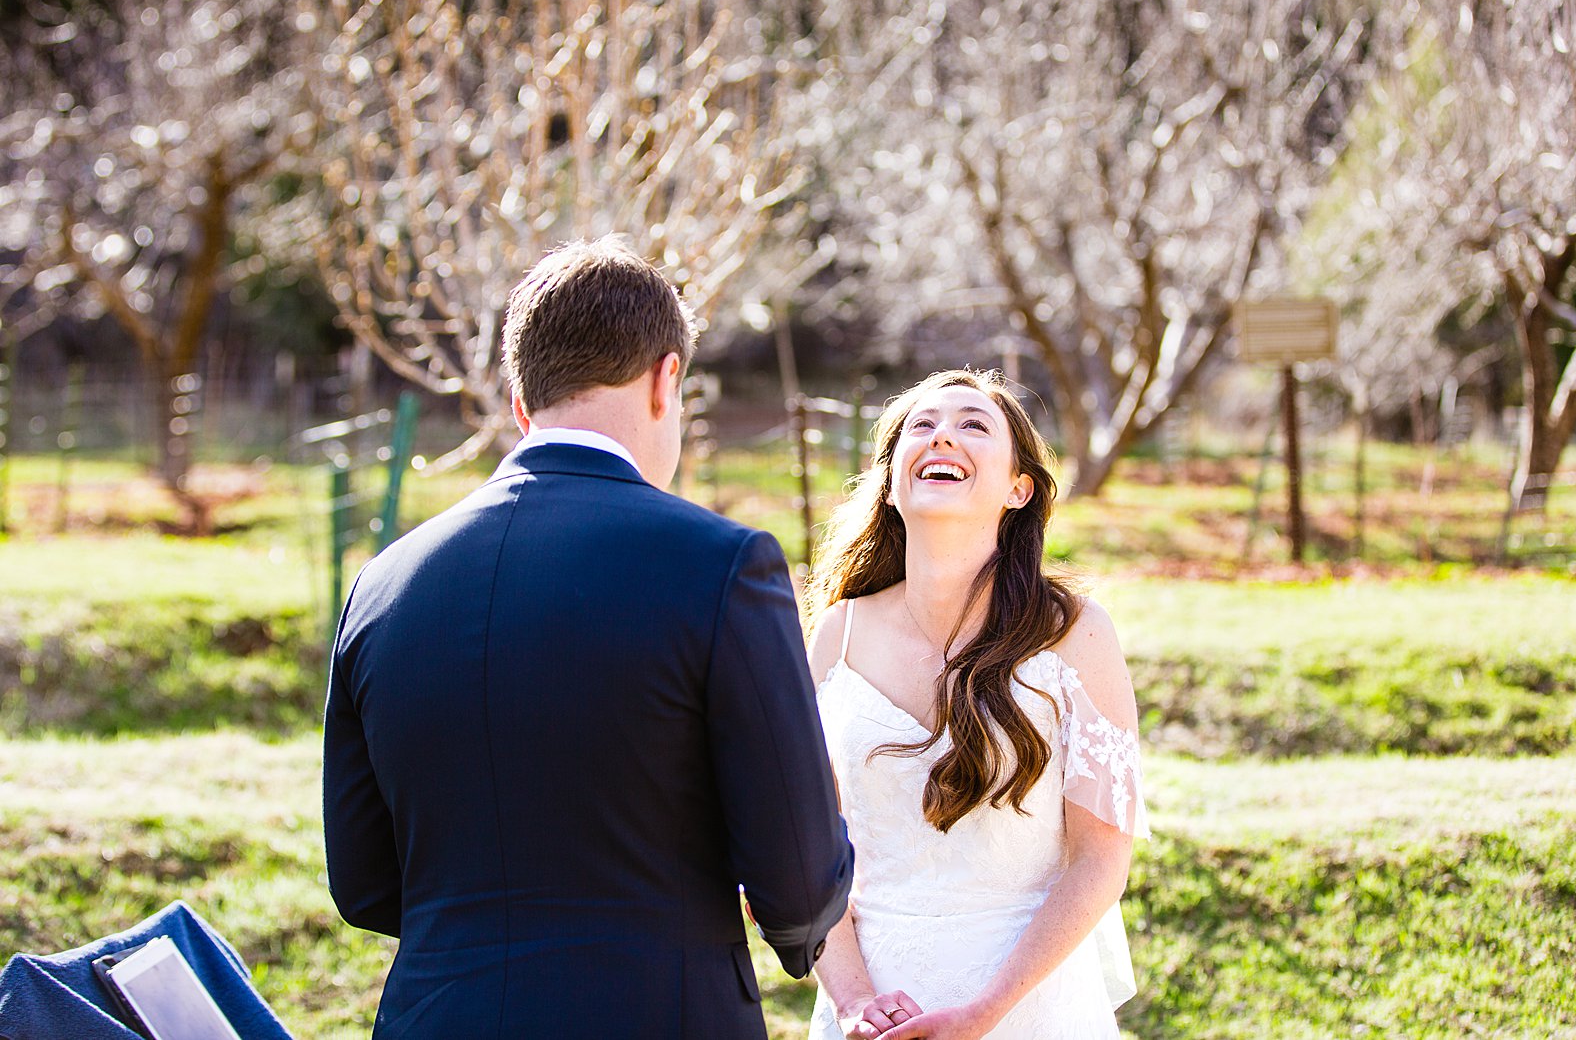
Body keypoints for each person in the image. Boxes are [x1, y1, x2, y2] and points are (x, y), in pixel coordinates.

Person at [322, 237, 853, 1039]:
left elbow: (363, 881)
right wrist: (798, 929)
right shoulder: (722, 565)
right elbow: (798, 878)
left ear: (520, 400)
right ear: (666, 378)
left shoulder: (383, 583)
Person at [801, 369, 1148, 1040]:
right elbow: (807, 850)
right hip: (874, 1010)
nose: (942, 437)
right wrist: (853, 1000)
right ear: (894, 481)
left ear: (1019, 487)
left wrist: (988, 1011)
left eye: (972, 424)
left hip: (1031, 1006)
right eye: (921, 427)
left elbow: (1101, 860)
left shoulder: (1076, 633)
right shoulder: (837, 634)